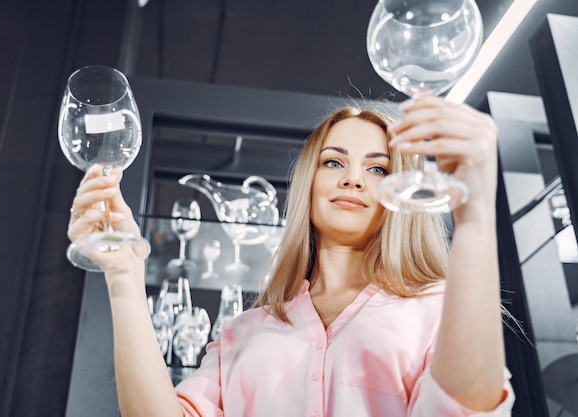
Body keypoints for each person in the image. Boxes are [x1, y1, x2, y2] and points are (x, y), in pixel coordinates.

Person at [68, 96, 515, 416]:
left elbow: (468, 407)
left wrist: (475, 214)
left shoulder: (436, 308)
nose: (353, 180)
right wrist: (123, 274)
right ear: (309, 183)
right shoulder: (244, 332)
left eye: (378, 168)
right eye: (334, 162)